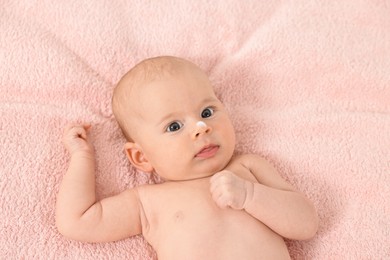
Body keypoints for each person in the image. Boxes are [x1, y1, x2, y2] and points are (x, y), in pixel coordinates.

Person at [56, 56, 318, 259]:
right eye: (174, 126)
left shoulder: (248, 168)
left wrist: (250, 196)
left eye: (207, 111)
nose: (200, 127)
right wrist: (82, 157)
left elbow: (306, 224)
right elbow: (77, 221)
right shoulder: (147, 203)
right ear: (141, 156)